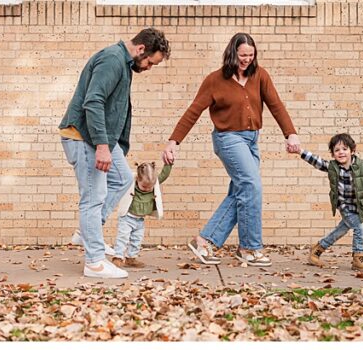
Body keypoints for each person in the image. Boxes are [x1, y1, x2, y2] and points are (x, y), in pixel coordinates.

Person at [164, 33, 300, 267]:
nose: (247, 60)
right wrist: (174, 141)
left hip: (251, 140)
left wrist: (291, 133)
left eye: (251, 55)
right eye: (242, 56)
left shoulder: (260, 76)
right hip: (228, 139)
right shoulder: (215, 80)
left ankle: (204, 241)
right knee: (251, 185)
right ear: (232, 54)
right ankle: (249, 247)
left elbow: (276, 105)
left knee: (241, 193)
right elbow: (193, 111)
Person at [60, 28, 170, 279]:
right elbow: (94, 101)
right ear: (141, 49)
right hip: (84, 137)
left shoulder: (122, 63)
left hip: (104, 140)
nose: (149, 68)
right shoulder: (112, 60)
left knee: (122, 178)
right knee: (93, 197)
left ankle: (87, 232)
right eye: (150, 63)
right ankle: (95, 262)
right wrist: (101, 146)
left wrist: (110, 145)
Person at [300, 134, 363, 271]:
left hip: (358, 206)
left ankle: (317, 249)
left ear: (352, 151)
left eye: (344, 149)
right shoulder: (332, 167)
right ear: (333, 154)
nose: (341, 152)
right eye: (337, 150)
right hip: (344, 206)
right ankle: (358, 257)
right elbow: (317, 161)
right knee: (360, 229)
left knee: (341, 230)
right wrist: (300, 151)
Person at [111, 161, 170, 269]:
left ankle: (131, 258)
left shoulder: (154, 182)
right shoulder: (131, 183)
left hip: (140, 220)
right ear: (138, 179)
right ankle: (118, 257)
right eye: (144, 186)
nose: (147, 189)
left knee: (137, 240)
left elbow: (164, 175)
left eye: (150, 187)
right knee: (123, 238)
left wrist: (168, 164)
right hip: (127, 217)